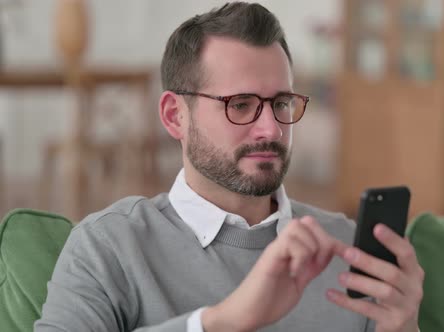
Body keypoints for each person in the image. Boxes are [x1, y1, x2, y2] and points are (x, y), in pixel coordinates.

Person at [35, 2, 424, 331]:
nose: (271, 128)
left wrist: (405, 327)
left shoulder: (348, 249)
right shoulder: (108, 248)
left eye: (281, 103)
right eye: (240, 104)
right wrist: (218, 322)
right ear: (175, 117)